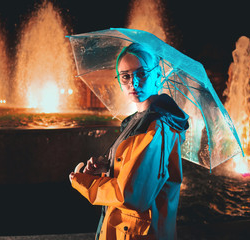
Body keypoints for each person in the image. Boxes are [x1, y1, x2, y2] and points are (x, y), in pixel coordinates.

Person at [69, 43, 189, 240]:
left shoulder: (155, 128)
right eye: (125, 76)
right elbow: (133, 176)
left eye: (141, 74)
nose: (133, 82)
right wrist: (106, 171)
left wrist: (84, 182)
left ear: (158, 76)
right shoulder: (138, 121)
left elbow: (132, 196)